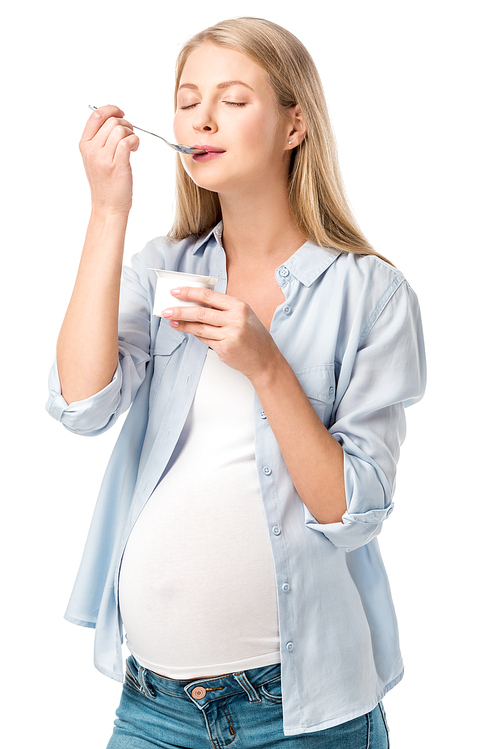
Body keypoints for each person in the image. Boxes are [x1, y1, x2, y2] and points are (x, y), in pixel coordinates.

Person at [47, 17, 426, 749]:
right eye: (188, 100)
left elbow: (353, 510)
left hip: (300, 713)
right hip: (153, 706)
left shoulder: (371, 294)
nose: (201, 117)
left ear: (295, 124)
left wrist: (265, 364)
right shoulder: (166, 270)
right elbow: (81, 403)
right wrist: (107, 211)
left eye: (232, 98)